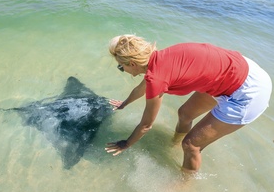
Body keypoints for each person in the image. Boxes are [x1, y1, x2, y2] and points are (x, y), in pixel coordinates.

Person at [105, 34, 272, 173]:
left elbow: (146, 125)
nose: (122, 70)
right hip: (243, 71)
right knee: (184, 114)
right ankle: (174, 144)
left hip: (249, 93)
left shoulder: (156, 78)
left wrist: (125, 144)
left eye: (121, 67)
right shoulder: (160, 58)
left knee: (191, 145)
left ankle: (185, 183)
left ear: (132, 64)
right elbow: (141, 89)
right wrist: (124, 104)